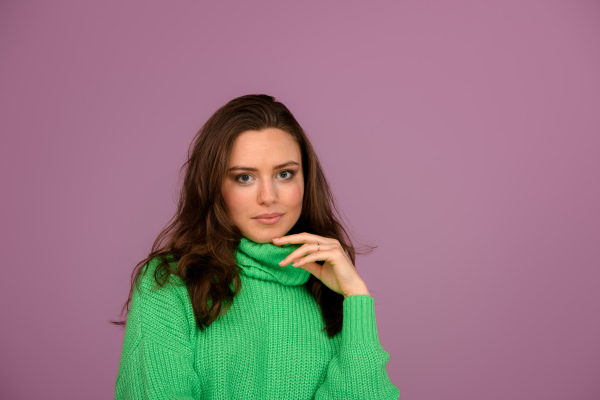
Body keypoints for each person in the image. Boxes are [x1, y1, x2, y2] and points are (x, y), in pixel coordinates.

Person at [112, 94, 401, 399]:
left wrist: (356, 298)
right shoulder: (170, 284)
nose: (268, 196)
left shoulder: (327, 284)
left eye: (284, 174)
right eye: (245, 177)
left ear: (306, 179)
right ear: (214, 186)